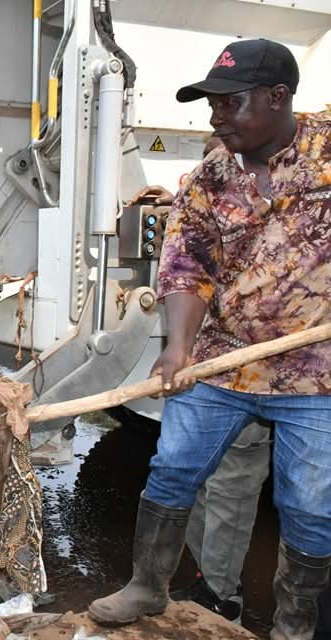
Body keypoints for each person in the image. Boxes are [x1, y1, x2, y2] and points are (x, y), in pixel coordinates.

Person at [88, 39, 331, 640]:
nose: (215, 116)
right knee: (172, 470)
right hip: (223, 361)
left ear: (278, 98)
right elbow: (186, 268)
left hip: (316, 370)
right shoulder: (209, 178)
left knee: (309, 503)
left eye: (229, 102)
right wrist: (177, 348)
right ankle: (148, 586)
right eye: (211, 104)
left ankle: (295, 623)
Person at [129, 136, 272, 625]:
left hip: (251, 373)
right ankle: (202, 579)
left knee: (232, 485)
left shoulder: (271, 221)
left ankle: (220, 595)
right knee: (188, 479)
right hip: (201, 374)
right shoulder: (201, 209)